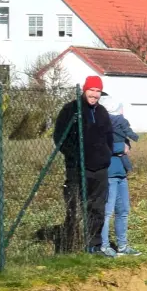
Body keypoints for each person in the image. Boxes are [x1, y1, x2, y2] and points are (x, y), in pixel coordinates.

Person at [53, 77, 112, 254]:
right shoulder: (70, 109)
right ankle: (69, 247)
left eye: (98, 91)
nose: (94, 95)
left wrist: (106, 155)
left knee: (97, 207)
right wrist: (76, 157)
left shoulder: (101, 111)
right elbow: (59, 138)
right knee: (74, 209)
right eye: (91, 90)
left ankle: (93, 245)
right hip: (78, 168)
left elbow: (108, 136)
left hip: (99, 169)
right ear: (84, 90)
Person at [101, 98, 141, 257]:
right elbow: (101, 148)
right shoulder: (102, 126)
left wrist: (124, 147)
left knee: (123, 210)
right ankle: (104, 247)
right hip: (109, 174)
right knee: (107, 212)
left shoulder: (118, 126)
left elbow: (127, 145)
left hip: (121, 173)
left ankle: (122, 246)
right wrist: (120, 148)